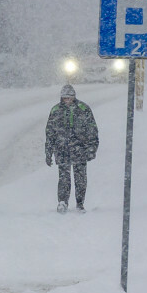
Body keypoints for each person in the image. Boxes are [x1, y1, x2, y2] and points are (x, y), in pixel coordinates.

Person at [44, 83, 99, 213]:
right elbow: (50, 132)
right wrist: (48, 151)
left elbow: (92, 130)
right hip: (62, 150)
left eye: (69, 97)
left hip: (80, 150)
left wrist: (92, 148)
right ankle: (62, 202)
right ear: (61, 98)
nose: (67, 100)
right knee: (64, 178)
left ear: (74, 97)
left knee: (80, 178)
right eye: (65, 98)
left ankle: (80, 203)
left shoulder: (83, 109)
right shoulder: (55, 110)